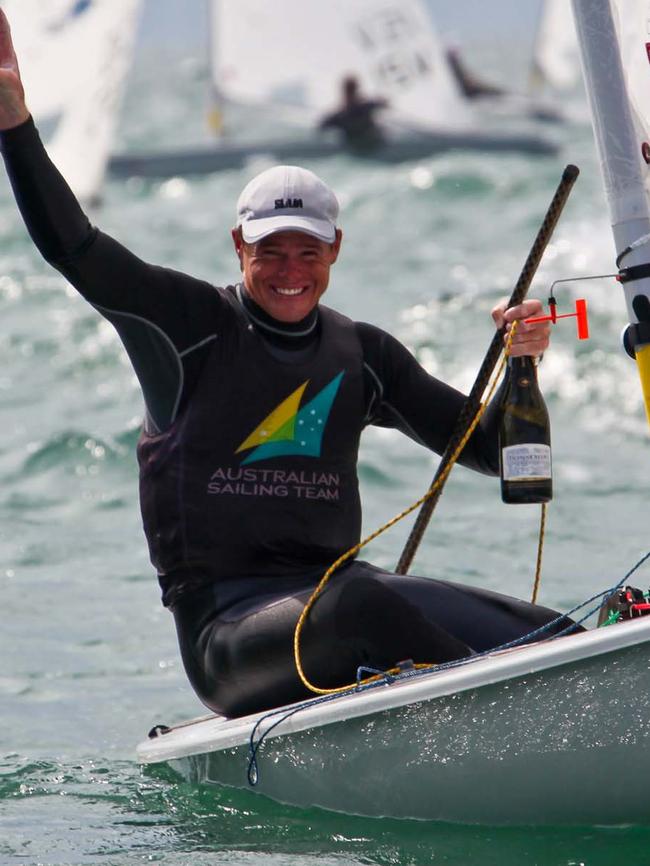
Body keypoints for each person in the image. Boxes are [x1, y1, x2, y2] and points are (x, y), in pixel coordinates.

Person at [0, 11, 579, 719]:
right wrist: (14, 126)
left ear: (335, 250)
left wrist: (522, 365)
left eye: (307, 250)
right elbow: (76, 248)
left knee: (555, 632)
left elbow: (496, 455)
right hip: (230, 635)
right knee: (366, 604)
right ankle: (526, 714)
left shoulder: (363, 354)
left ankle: (552, 695)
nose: (289, 270)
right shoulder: (189, 327)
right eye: (269, 250)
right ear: (238, 246)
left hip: (340, 600)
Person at [318, 74, 388, 152]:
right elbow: (322, 126)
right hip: (357, 148)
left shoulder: (364, 106)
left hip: (370, 145)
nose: (351, 94)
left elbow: (383, 104)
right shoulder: (341, 115)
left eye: (352, 91)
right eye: (350, 91)